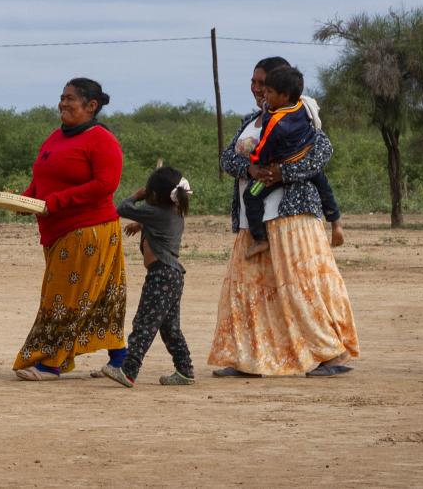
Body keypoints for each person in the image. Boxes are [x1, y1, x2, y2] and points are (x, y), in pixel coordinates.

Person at [208, 56, 360, 378]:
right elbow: (226, 157)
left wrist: (281, 173)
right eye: (254, 82)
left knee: (301, 288)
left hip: (293, 219)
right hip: (254, 223)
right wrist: (249, 168)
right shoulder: (251, 121)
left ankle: (328, 355)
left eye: (263, 84)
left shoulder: (302, 118)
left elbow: (320, 154)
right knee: (250, 292)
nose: (257, 89)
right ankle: (250, 358)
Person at [13, 78, 128, 381]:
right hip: (58, 229)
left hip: (89, 229)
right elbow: (41, 180)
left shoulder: (101, 140)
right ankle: (120, 359)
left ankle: (51, 363)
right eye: (61, 98)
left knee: (66, 297)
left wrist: (56, 201)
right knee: (96, 296)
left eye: (70, 99)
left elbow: (106, 184)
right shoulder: (55, 137)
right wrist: (23, 200)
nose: (63, 104)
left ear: (91, 106)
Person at [100, 166, 195, 387]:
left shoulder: (154, 213)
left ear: (153, 196)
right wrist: (141, 223)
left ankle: (129, 370)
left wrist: (137, 195)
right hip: (173, 277)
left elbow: (122, 208)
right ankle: (185, 370)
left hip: (160, 276)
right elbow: (158, 221)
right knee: (170, 329)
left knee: (144, 323)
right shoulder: (175, 211)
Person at [241, 66, 344, 258]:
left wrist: (257, 166)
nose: (264, 94)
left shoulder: (275, 123)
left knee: (251, 195)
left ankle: (260, 239)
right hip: (307, 160)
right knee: (325, 189)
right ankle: (336, 222)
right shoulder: (302, 106)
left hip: (276, 170)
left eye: (269, 91)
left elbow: (263, 148)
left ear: (284, 95)